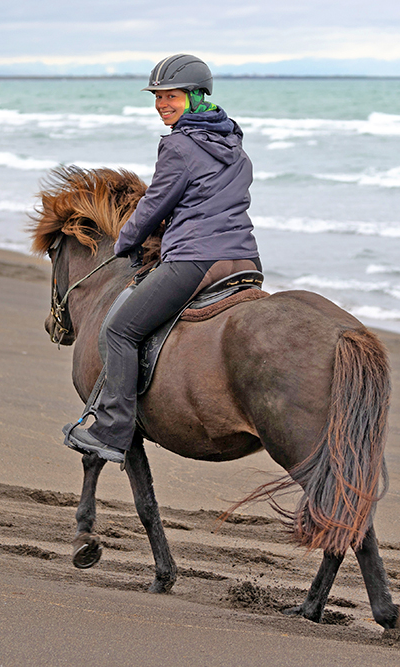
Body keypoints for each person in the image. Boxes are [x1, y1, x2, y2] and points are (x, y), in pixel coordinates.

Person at [64, 54, 260, 465]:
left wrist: (126, 243)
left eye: (170, 96)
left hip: (195, 261)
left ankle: (112, 428)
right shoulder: (231, 141)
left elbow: (155, 204)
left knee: (119, 330)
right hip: (244, 262)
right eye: (157, 97)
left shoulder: (179, 145)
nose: (161, 105)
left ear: (194, 96)